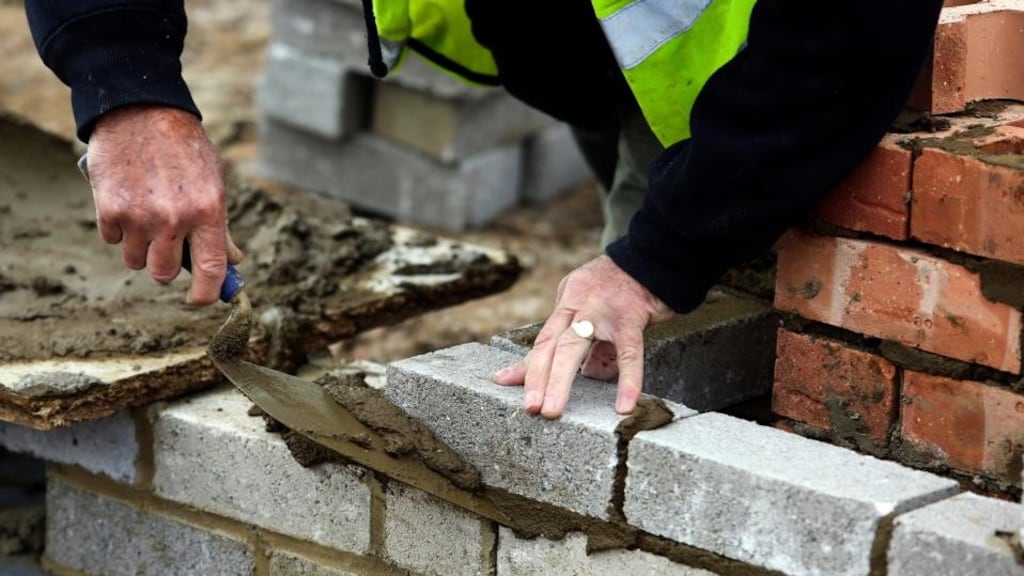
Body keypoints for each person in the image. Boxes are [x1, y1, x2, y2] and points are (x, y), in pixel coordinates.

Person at [24, 0, 944, 419]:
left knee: (673, 323)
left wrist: (660, 254)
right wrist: (128, 87)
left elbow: (855, 26)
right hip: (582, 48)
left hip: (752, 69)